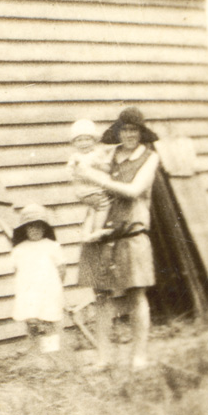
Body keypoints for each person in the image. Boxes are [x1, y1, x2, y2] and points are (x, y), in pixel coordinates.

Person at [72, 107, 160, 370]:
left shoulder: (150, 157)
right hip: (103, 235)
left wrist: (95, 178)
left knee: (136, 295)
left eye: (135, 130)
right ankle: (102, 358)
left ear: (142, 133)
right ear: (118, 132)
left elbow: (133, 191)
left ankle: (139, 356)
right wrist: (83, 175)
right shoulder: (108, 154)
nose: (130, 135)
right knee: (101, 297)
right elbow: (83, 176)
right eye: (125, 129)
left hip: (132, 234)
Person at [11, 203, 66, 354]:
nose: (35, 230)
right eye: (31, 227)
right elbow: (17, 270)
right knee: (32, 320)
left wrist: (56, 287)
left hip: (49, 289)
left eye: (39, 226)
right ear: (24, 229)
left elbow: (62, 269)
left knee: (48, 319)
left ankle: (51, 352)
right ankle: (35, 350)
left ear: (45, 228)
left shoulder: (52, 246)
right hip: (29, 291)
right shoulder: (19, 249)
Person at [66, 118, 114, 241]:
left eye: (87, 139)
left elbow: (107, 168)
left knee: (92, 210)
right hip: (93, 190)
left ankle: (87, 234)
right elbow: (71, 172)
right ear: (74, 143)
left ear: (94, 140)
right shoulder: (76, 157)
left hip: (85, 193)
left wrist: (100, 166)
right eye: (79, 140)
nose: (83, 143)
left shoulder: (96, 154)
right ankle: (97, 230)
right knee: (104, 206)